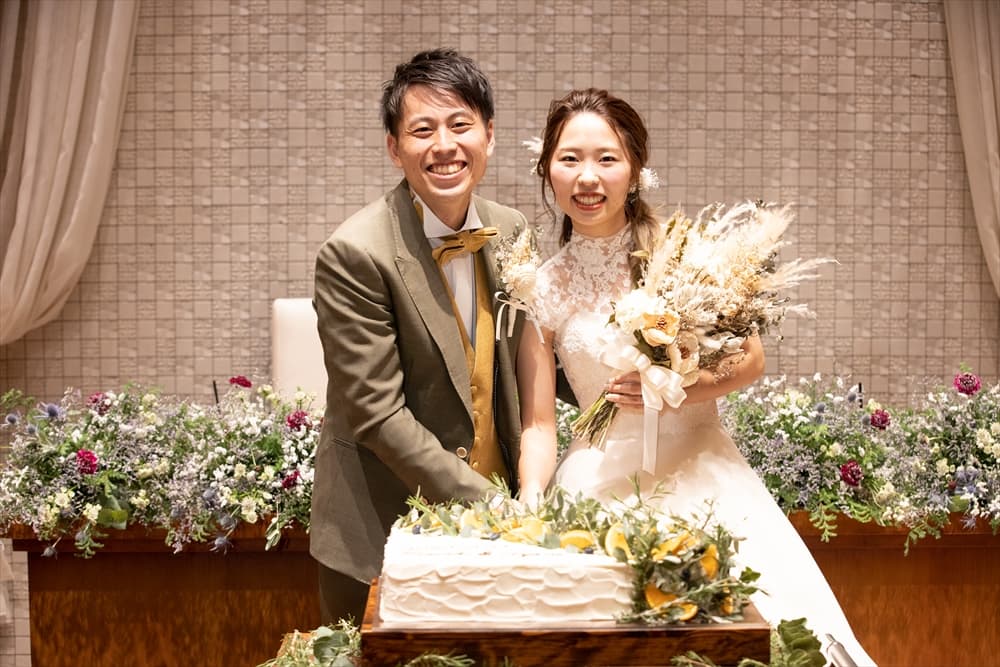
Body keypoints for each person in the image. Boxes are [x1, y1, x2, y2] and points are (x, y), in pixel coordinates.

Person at [516, 88, 877, 667]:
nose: (587, 177)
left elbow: (750, 360)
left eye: (607, 158)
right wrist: (532, 499)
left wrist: (673, 390)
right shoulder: (541, 287)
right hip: (596, 476)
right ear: (547, 170)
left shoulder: (682, 254)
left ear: (635, 169)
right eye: (570, 159)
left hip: (701, 465)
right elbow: (538, 423)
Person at [310, 48, 526, 625]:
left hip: (503, 526)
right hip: (384, 526)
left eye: (460, 125)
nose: (444, 146)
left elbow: (530, 363)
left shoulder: (511, 230)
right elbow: (377, 413)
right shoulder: (355, 253)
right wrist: (496, 507)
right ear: (394, 147)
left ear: (489, 135)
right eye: (422, 130)